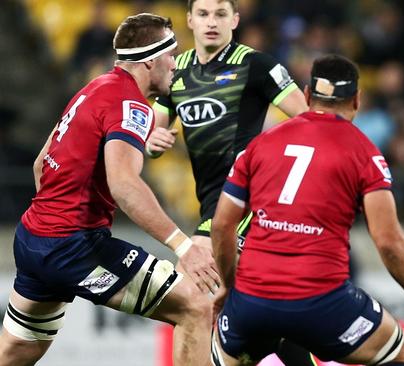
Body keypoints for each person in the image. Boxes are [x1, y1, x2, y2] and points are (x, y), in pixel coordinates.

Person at [209, 54, 404, 366]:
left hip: (250, 303)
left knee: (223, 354)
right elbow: (389, 243)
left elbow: (221, 226)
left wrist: (229, 287)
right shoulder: (364, 152)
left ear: (305, 96)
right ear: (356, 100)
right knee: (396, 348)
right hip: (321, 303)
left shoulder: (261, 144)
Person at [0, 13, 218, 366]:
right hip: (74, 246)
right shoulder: (131, 104)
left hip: (34, 237)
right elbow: (125, 185)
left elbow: (42, 163)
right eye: (171, 55)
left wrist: (54, 222)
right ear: (150, 59)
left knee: (15, 352)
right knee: (195, 304)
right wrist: (183, 245)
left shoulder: (94, 88)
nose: (175, 65)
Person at [148, 1, 311, 363]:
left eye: (221, 14)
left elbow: (311, 122)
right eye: (203, 14)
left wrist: (278, 162)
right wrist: (151, 143)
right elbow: (152, 134)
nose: (211, 22)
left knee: (186, 292)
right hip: (212, 205)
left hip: (250, 204)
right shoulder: (175, 72)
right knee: (253, 322)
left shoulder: (257, 65)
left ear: (234, 21)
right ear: (189, 20)